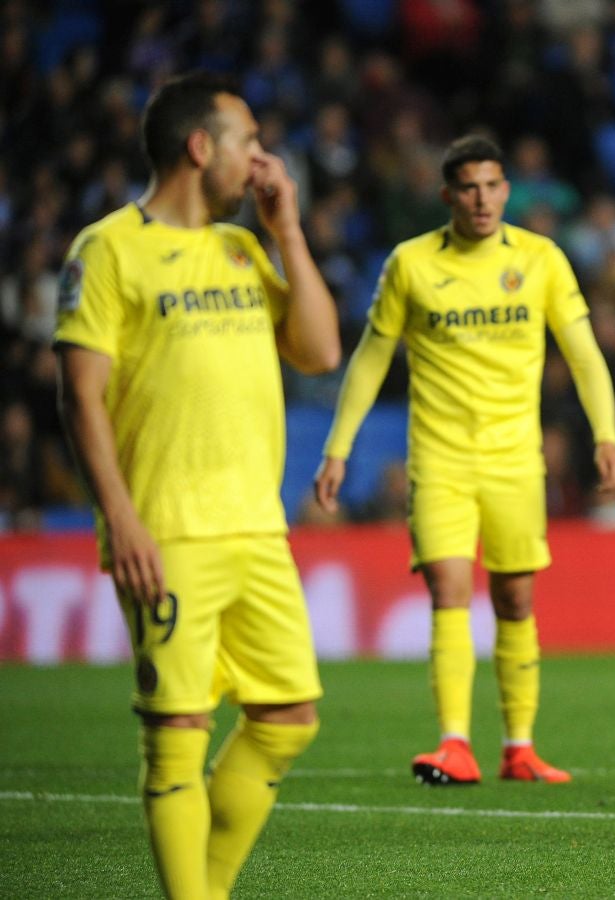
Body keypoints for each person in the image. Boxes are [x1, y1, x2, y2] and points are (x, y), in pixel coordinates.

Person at [54, 72, 340, 899]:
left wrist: (287, 229)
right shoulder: (106, 249)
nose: (262, 158)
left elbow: (320, 352)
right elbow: (79, 396)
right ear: (198, 146)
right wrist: (122, 520)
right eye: (249, 141)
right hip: (166, 531)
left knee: (289, 717)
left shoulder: (244, 248)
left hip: (257, 526)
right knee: (178, 732)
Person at [314, 134, 615, 785]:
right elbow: (371, 357)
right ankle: (454, 742)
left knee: (514, 598)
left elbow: (584, 352)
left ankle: (519, 747)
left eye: (491, 186)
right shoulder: (411, 263)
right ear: (446, 195)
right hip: (440, 461)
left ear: (506, 190)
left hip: (515, 460)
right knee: (449, 591)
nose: (481, 200)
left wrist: (605, 435)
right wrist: (337, 448)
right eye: (468, 188)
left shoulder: (539, 258)